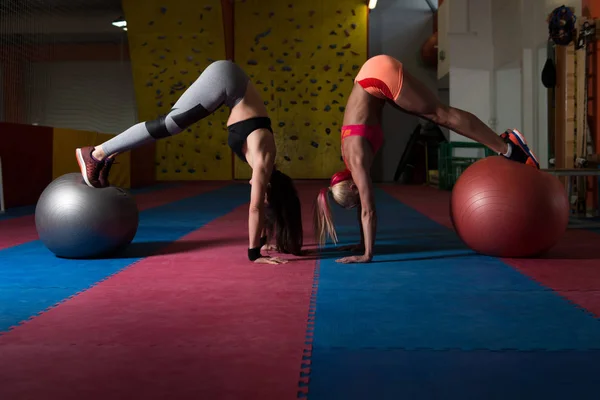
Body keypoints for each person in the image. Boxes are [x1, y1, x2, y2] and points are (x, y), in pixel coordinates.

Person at [314, 54, 540, 264]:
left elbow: (368, 210)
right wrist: (362, 242)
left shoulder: (357, 159)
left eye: (357, 198)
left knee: (441, 115)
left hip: (378, 76)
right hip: (372, 77)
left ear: (353, 186)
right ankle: (504, 144)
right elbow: (362, 204)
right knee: (429, 113)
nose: (361, 200)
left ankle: (509, 146)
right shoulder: (351, 164)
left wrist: (367, 254)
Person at [75, 60, 303, 264]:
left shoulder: (263, 166)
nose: (255, 190)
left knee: (171, 125)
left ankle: (107, 155)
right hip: (227, 79)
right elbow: (255, 209)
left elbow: (262, 209)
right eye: (264, 196)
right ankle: (96, 154)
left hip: (230, 86)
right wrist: (256, 255)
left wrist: (264, 240)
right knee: (169, 124)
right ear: (270, 189)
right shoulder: (263, 161)